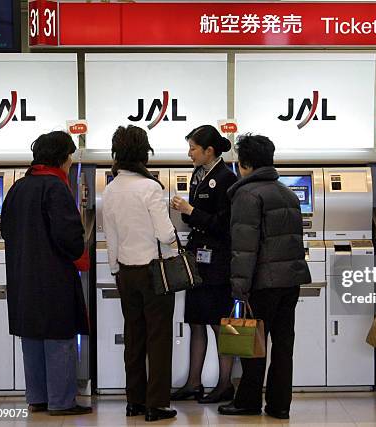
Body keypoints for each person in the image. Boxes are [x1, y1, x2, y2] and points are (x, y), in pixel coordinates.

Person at [218, 134, 311, 420]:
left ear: (245, 164)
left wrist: (239, 288)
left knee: (253, 343)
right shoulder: (288, 193)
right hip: (290, 281)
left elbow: (245, 247)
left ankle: (247, 401)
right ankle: (279, 405)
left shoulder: (247, 195)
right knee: (284, 346)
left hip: (262, 283)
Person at [1, 131, 92, 416]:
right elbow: (68, 236)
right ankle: (61, 401)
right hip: (52, 277)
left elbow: (5, 230)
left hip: (22, 275)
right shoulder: (55, 187)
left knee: (32, 337)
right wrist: (80, 249)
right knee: (58, 337)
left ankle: (37, 398)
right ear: (62, 158)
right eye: (70, 156)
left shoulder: (18, 187)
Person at [102, 125, 177, 422]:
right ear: (144, 152)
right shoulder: (150, 187)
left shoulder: (110, 188)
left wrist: (115, 269)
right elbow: (165, 234)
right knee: (158, 338)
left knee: (133, 337)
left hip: (126, 272)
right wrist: (174, 234)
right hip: (154, 273)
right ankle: (156, 405)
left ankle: (134, 401)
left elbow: (112, 237)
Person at [170, 125, 238, 404]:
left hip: (218, 262)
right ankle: (193, 382)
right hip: (197, 259)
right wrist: (187, 213)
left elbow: (224, 225)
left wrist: (191, 211)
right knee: (196, 321)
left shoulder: (226, 179)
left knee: (219, 323)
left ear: (209, 150)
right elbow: (199, 218)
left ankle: (224, 384)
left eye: (193, 148)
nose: (189, 154)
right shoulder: (199, 175)